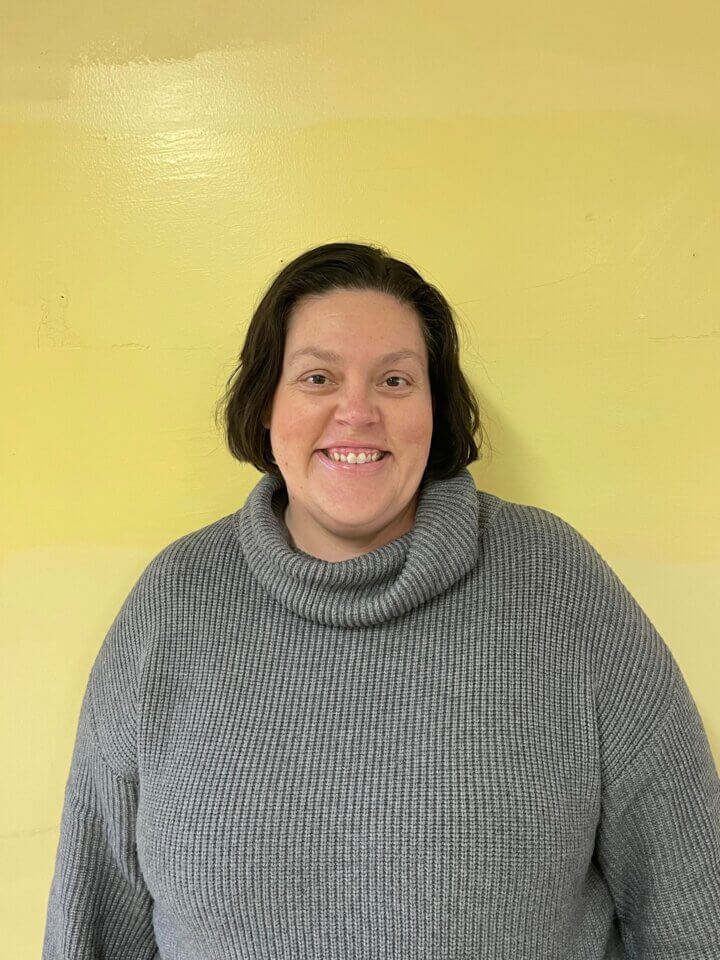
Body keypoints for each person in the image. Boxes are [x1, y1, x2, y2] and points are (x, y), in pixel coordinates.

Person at [43, 242, 720, 959]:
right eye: (317, 377)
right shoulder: (172, 606)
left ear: (436, 410)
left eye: (395, 380)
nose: (357, 411)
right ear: (267, 406)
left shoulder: (558, 588)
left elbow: (691, 895)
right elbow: (94, 920)